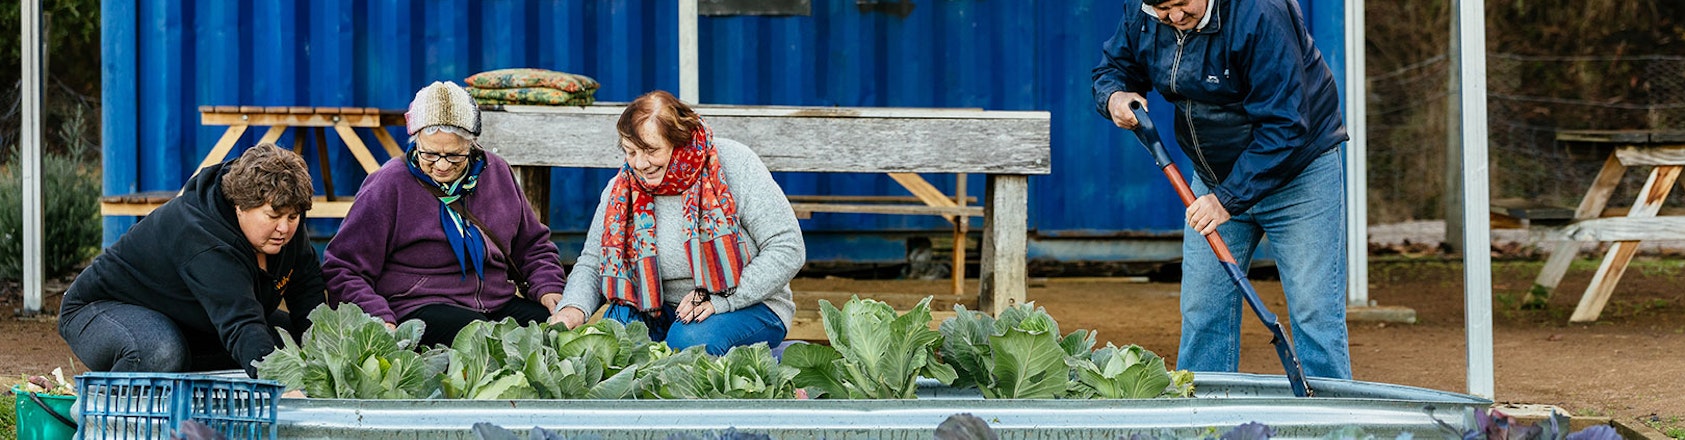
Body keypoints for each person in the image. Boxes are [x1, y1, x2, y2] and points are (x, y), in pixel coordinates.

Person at [1091, 0, 1351, 379]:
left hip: (1298, 176)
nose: (1175, 18)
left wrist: (1227, 199)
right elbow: (1115, 67)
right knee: (1203, 309)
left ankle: (1333, 425)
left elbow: (1286, 126)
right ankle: (1201, 422)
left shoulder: (1261, 13)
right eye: (1163, 8)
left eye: (1182, 3)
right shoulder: (1143, 11)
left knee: (1315, 311)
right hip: (1213, 178)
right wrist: (1113, 95)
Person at [550, 90, 804, 355]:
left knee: (689, 343)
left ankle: (780, 362)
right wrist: (572, 308)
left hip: (748, 304)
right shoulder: (621, 189)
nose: (639, 164)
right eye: (631, 151)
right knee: (611, 342)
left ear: (679, 140)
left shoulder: (733, 165)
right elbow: (594, 261)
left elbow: (787, 247)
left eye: (650, 150)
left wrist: (720, 299)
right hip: (659, 308)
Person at [323, 81, 568, 347]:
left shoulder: (496, 172)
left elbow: (533, 246)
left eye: (454, 155)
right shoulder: (388, 184)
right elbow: (342, 268)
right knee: (482, 340)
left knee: (558, 333)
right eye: (429, 154)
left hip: (495, 303)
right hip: (418, 308)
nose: (441, 165)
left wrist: (549, 288)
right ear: (415, 139)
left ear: (472, 145)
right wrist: (378, 316)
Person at [58, 143, 326, 378]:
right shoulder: (203, 237)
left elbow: (307, 291)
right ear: (240, 205)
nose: (284, 228)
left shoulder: (285, 224)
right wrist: (282, 384)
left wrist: (325, 363)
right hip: (101, 311)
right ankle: (105, 412)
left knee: (287, 344)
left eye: (293, 217)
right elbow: (241, 322)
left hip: (188, 320)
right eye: (274, 216)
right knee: (161, 352)